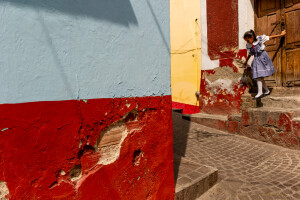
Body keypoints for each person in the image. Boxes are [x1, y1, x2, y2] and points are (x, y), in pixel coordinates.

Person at [243, 29, 286, 99]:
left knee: (259, 76)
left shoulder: (260, 39)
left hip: (263, 57)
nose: (247, 42)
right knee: (259, 76)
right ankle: (266, 91)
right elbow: (250, 54)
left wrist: (281, 35)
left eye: (248, 40)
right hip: (257, 59)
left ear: (252, 37)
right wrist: (246, 61)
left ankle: (260, 92)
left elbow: (271, 37)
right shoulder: (248, 45)